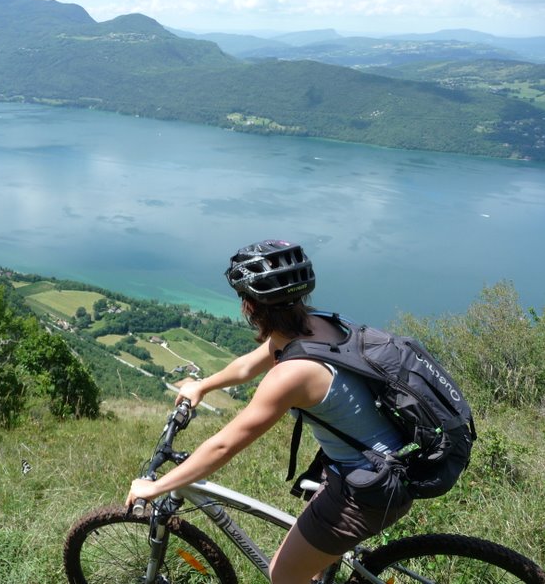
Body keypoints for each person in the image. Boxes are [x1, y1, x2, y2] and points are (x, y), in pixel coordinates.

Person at [125, 239, 413, 584]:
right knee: (313, 563)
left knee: (282, 576)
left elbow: (223, 447)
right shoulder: (319, 324)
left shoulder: (293, 374)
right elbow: (251, 364)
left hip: (370, 488)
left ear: (249, 305)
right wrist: (203, 386)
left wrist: (155, 488)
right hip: (384, 461)